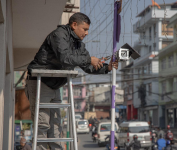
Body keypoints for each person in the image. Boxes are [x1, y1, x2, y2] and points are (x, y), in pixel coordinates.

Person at [25, 12, 118, 150]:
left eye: (87, 30)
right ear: (74, 25)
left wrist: (107, 68)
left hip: (55, 85)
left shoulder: (79, 45)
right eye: (84, 29)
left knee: (56, 125)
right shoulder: (59, 35)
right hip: (40, 82)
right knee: (42, 124)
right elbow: (65, 58)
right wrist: (88, 59)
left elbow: (87, 66)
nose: (86, 33)